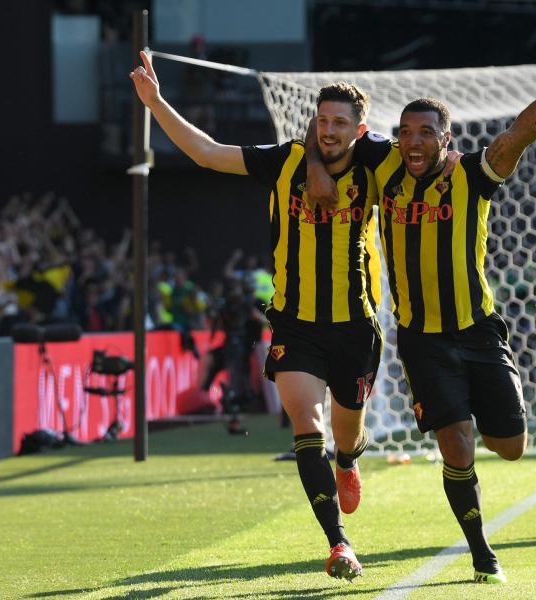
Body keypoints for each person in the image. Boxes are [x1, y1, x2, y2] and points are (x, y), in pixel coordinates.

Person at [306, 41, 536, 584]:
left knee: (510, 447)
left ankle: (483, 414)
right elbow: (326, 136)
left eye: (425, 132)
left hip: (479, 332)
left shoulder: (473, 174)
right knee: (456, 444)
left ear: (446, 139)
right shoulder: (382, 163)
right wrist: (317, 166)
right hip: (421, 340)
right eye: (406, 131)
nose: (413, 141)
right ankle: (483, 554)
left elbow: (517, 136)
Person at [131, 52, 381, 580]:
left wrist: (450, 159)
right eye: (322, 120)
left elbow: (425, 155)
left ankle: (348, 459)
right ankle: (338, 543)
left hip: (356, 325)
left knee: (346, 430)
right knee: (304, 425)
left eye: (340, 123)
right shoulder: (285, 160)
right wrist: (156, 103)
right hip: (295, 322)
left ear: (360, 129)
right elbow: (206, 153)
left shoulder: (379, 161)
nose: (329, 130)